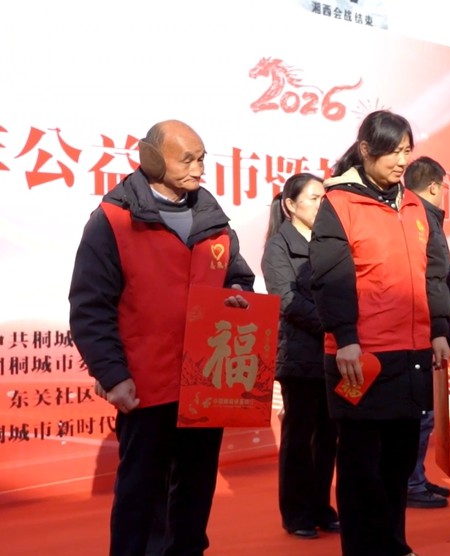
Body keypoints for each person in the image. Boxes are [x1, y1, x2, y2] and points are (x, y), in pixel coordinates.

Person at [68, 120, 255, 555]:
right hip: (145, 385)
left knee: (195, 490)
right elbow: (90, 305)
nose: (198, 169)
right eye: (186, 159)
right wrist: (112, 374)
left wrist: (238, 294)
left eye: (202, 159)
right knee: (141, 495)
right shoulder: (112, 221)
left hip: (205, 383)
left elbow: (239, 277)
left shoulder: (215, 222)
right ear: (151, 159)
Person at [310, 110, 450, 556]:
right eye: (392, 151)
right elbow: (331, 277)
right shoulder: (339, 203)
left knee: (398, 462)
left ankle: (393, 544)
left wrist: (440, 329)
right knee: (360, 467)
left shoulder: (414, 206)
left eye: (407, 151)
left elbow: (435, 274)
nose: (401, 161)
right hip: (361, 357)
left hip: (411, 355)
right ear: (366, 150)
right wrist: (345, 338)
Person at [262, 173, 341, 538]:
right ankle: (296, 513)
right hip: (299, 354)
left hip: (331, 354)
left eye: (324, 197)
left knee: (327, 436)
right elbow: (287, 300)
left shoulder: (329, 243)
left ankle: (321, 506)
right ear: (290, 205)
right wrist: (332, 323)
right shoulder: (278, 247)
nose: (321, 204)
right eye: (313, 198)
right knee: (299, 437)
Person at [402, 156, 450, 509]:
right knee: (420, 414)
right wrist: (439, 330)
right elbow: (432, 278)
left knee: (425, 412)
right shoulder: (418, 218)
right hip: (422, 331)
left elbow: (445, 274)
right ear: (433, 187)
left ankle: (416, 476)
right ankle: (411, 482)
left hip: (429, 327)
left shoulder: (424, 217)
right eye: (443, 187)